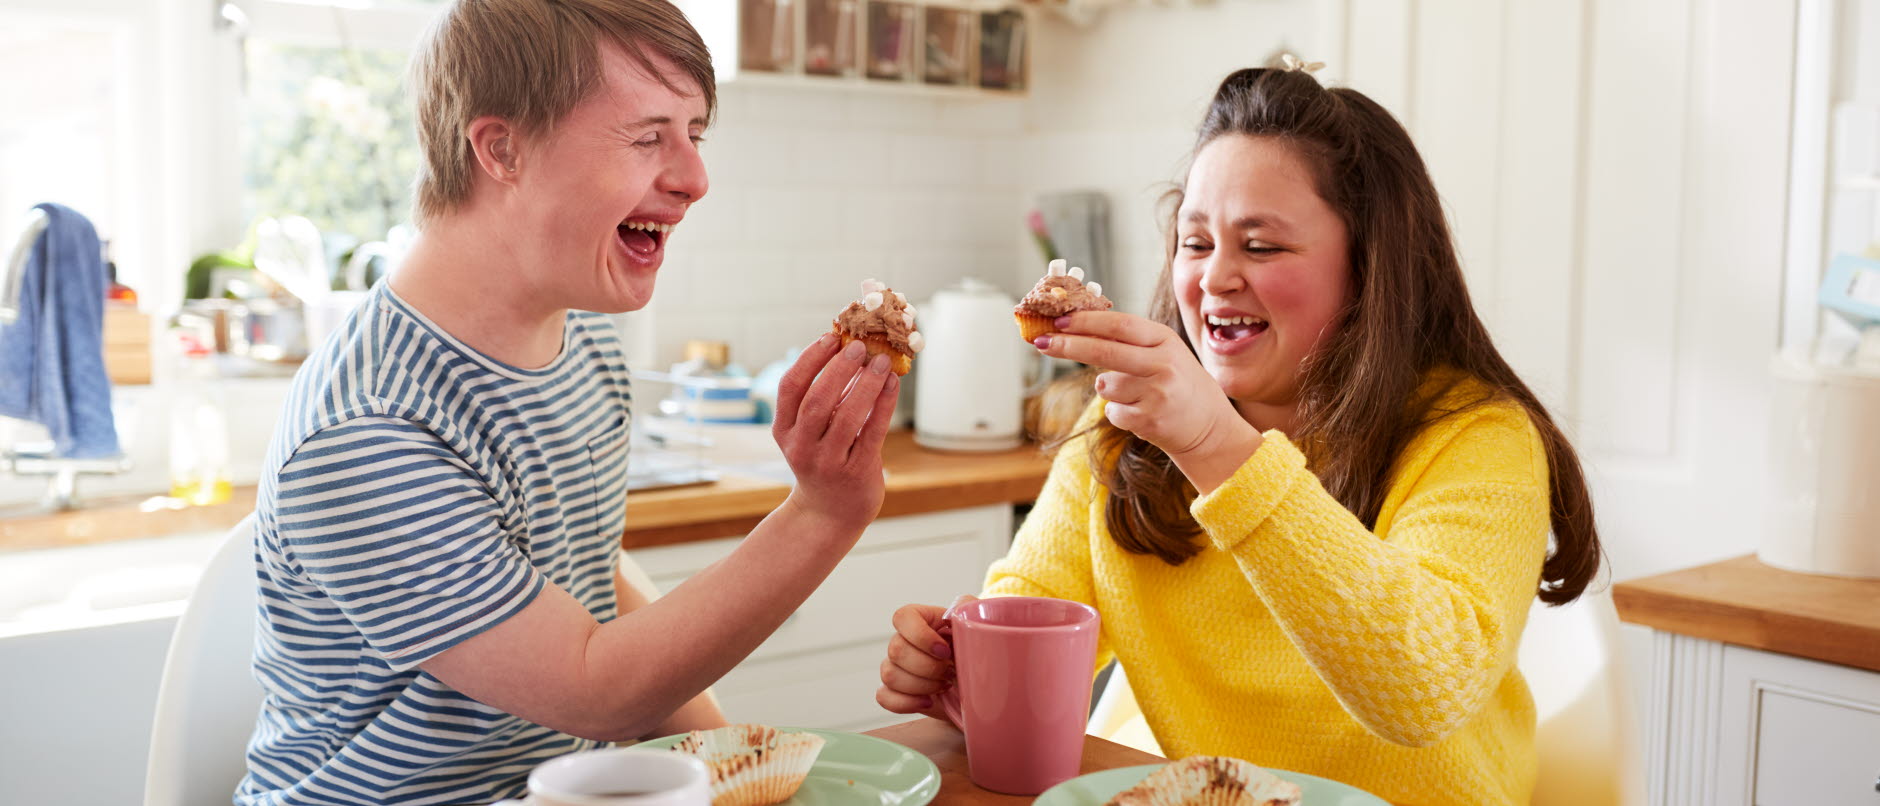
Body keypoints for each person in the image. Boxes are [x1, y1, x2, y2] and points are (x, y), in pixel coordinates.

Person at [875, 64, 1603, 806]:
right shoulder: (1123, 431)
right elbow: (1034, 615)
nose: (1214, 278)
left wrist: (1213, 448)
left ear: (1372, 268)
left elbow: (1423, 694)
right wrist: (964, 668)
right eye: (1195, 243)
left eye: (1261, 247)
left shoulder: (1477, 438)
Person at [237, 2, 900, 804]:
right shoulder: (369, 428)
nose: (695, 178)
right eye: (648, 136)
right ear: (502, 149)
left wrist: (725, 763)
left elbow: (587, 573)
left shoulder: (579, 343)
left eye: (695, 133)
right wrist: (823, 513)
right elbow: (595, 686)